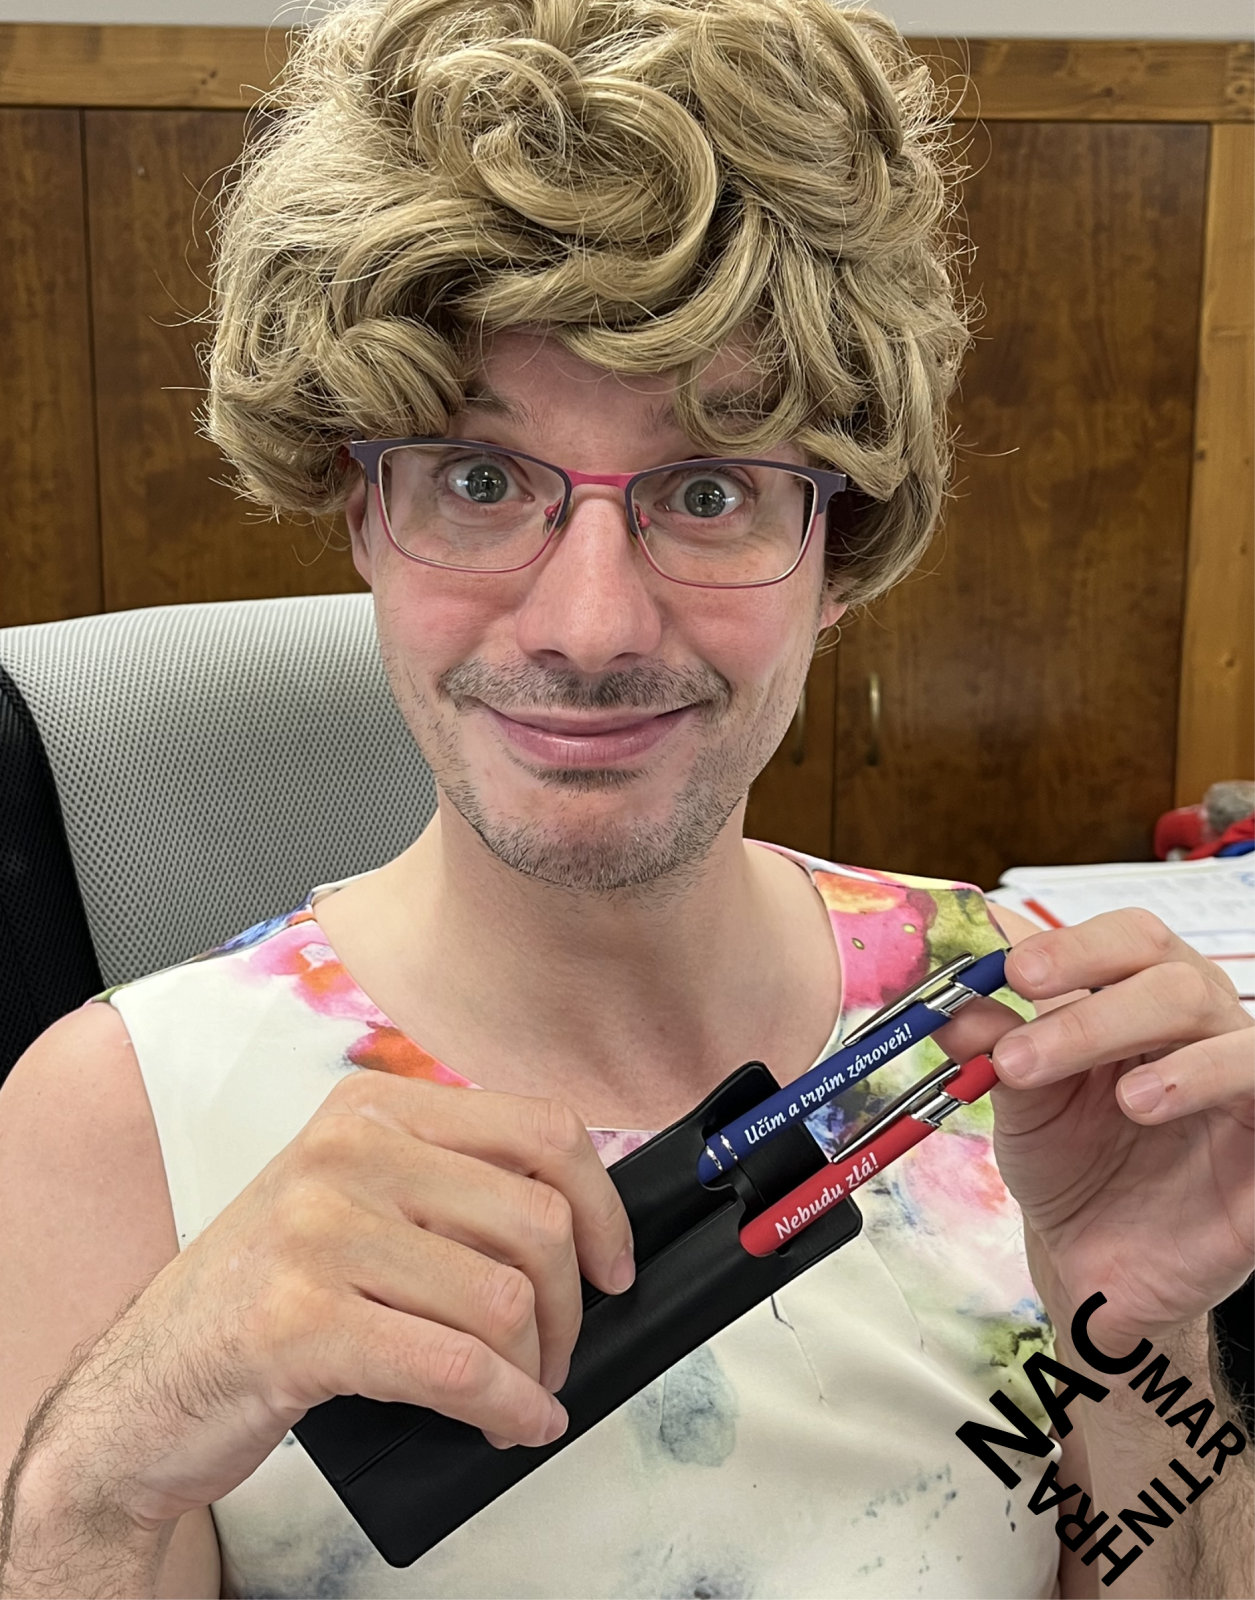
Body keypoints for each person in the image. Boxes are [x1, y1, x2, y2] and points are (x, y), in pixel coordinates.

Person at [0, 0, 1251, 1594]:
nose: (587, 626)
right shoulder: (111, 1127)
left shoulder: (1013, 1050)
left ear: (838, 556)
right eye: (476, 478)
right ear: (360, 515)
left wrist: (1137, 1338)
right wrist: (112, 1465)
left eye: (709, 488)